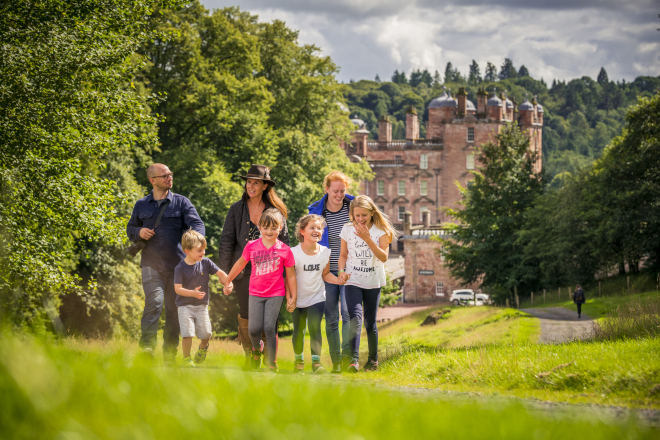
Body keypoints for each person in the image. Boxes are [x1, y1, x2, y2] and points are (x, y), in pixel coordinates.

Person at [127, 163, 205, 363]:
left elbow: (197, 224)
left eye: (170, 174)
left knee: (174, 310)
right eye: (164, 176)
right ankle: (147, 348)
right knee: (154, 303)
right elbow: (130, 229)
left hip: (177, 267)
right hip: (151, 264)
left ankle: (169, 353)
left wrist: (195, 243)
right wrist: (139, 232)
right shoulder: (141, 205)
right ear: (152, 180)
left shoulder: (181, 202)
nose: (169, 178)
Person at [217, 164, 290, 369]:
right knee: (247, 315)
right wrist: (225, 275)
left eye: (255, 183)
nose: (250, 186)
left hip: (271, 273)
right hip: (242, 272)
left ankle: (270, 357)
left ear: (265, 186)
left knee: (270, 318)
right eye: (248, 182)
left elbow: (285, 244)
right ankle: (252, 354)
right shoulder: (236, 209)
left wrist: (286, 276)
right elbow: (226, 241)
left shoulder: (275, 212)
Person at [225, 209, 296, 372]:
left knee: (270, 327)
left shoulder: (285, 250)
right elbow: (240, 264)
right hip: (255, 293)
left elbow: (291, 276)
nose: (269, 231)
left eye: (273, 228)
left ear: (280, 228)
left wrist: (293, 296)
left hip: (276, 293)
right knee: (254, 329)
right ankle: (257, 350)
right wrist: (228, 280)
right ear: (259, 227)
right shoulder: (251, 246)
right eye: (265, 227)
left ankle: (272, 362)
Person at [338, 195, 397, 373]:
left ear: (372, 213)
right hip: (353, 280)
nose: (361, 219)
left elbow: (383, 257)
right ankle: (353, 361)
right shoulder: (347, 229)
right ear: (352, 215)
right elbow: (343, 255)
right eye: (357, 216)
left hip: (373, 281)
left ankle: (373, 361)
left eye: (364, 215)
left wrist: (367, 238)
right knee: (355, 318)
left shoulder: (381, 231)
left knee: (370, 323)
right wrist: (341, 272)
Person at [307, 171, 354, 373]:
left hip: (349, 269)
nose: (339, 195)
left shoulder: (354, 207)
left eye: (342, 191)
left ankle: (347, 358)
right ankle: (336, 361)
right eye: (335, 191)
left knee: (348, 313)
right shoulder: (316, 211)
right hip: (326, 271)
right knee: (332, 317)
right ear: (327, 189)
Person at [290, 214, 347, 374]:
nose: (317, 230)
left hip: (317, 297)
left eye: (320, 228)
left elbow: (326, 274)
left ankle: (316, 363)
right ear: (302, 231)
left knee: (315, 328)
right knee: (298, 330)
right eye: (312, 228)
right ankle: (299, 360)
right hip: (297, 298)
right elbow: (290, 276)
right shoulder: (293, 252)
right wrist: (290, 297)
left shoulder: (325, 252)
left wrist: (339, 281)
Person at [173, 230, 233, 368]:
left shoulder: (205, 263)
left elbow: (221, 274)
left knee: (206, 333)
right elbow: (177, 289)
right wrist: (192, 293)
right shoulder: (179, 268)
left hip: (201, 306)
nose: (203, 252)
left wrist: (228, 284)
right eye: (199, 250)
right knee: (187, 333)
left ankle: (202, 348)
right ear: (187, 251)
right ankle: (186, 359)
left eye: (204, 249)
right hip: (184, 306)